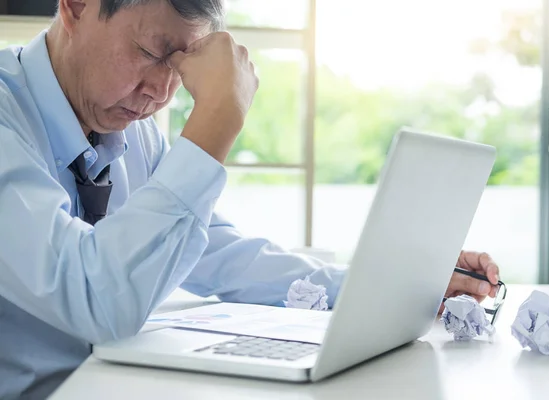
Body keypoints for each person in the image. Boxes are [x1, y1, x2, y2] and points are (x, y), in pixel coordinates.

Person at [0, 0, 501, 398]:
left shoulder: (134, 133)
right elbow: (91, 298)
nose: (162, 92)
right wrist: (216, 121)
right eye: (152, 53)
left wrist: (388, 288)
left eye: (182, 68)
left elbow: (222, 253)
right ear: (76, 6)